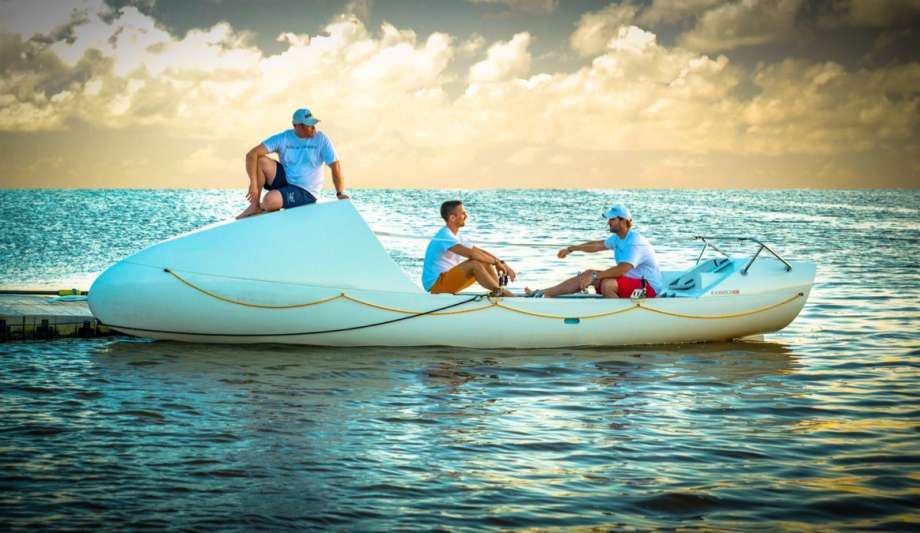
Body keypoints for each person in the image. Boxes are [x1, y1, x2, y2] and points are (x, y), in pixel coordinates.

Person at [526, 204, 664, 298]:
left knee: (607, 283)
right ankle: (543, 294)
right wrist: (571, 249)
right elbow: (596, 245)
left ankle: (617, 320)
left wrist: (594, 276)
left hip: (649, 287)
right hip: (630, 281)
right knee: (587, 273)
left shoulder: (635, 241)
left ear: (624, 221)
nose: (608, 222)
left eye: (612, 219)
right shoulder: (617, 238)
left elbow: (621, 269)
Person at [236, 107, 349, 219]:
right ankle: (255, 206)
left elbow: (335, 166)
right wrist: (253, 184)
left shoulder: (321, 139)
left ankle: (272, 203)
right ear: (295, 126)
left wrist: (340, 193)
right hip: (287, 179)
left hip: (306, 191)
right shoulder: (285, 137)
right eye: (307, 125)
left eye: (313, 124)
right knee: (260, 161)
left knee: (269, 200)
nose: (312, 128)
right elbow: (251, 154)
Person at [422, 200, 517, 297]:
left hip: (447, 280)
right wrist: (496, 262)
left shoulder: (456, 235)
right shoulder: (445, 236)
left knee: (484, 261)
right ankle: (501, 292)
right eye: (463, 213)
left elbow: (479, 252)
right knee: (474, 263)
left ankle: (500, 291)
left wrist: (502, 263)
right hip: (435, 286)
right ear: (452, 218)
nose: (466, 216)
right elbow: (473, 255)